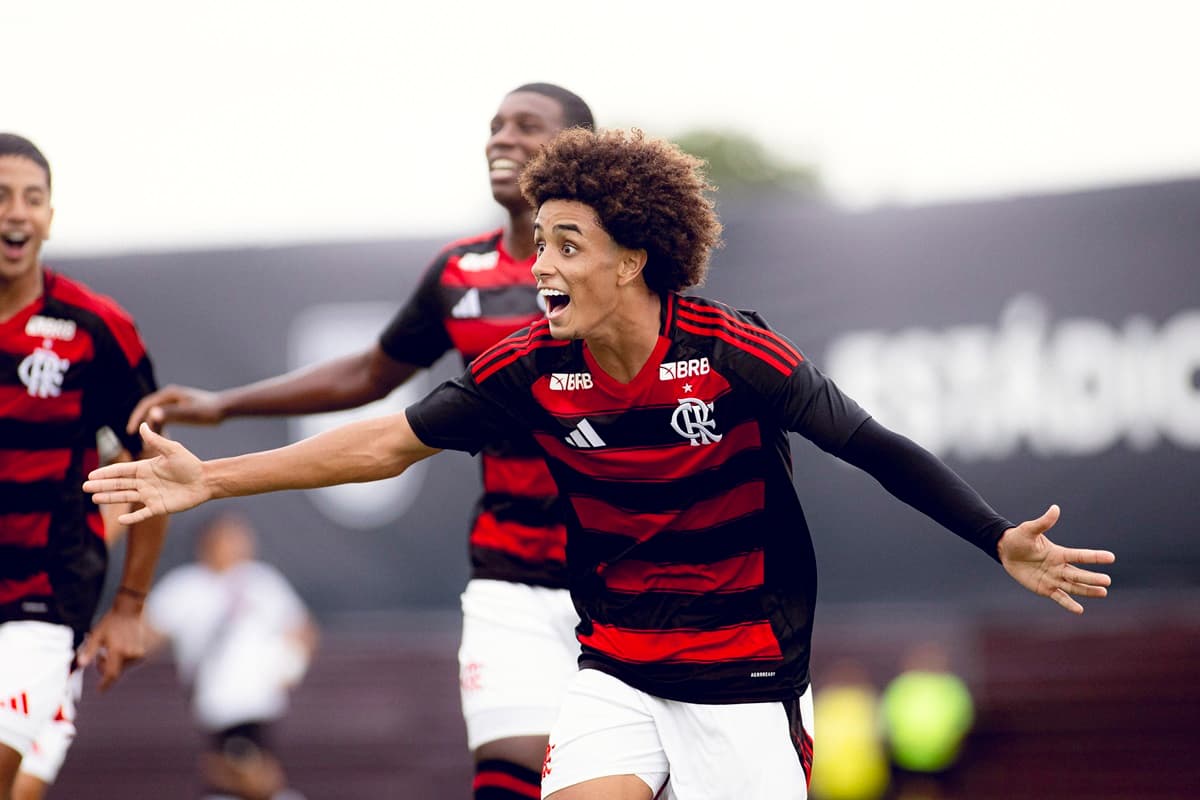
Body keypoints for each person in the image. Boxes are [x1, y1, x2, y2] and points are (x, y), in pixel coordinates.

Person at [86, 127, 1117, 800]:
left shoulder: (731, 351)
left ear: (633, 257)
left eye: (568, 246)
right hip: (616, 670)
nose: (540, 269)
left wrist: (996, 537)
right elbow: (383, 439)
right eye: (539, 246)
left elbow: (878, 448)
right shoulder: (528, 370)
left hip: (748, 683)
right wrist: (214, 474)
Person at [124, 82, 595, 800]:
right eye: (494, 126)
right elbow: (373, 372)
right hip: (512, 574)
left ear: (578, 150)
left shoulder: (623, 271)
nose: (500, 139)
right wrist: (222, 405)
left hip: (624, 573)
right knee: (511, 776)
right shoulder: (458, 273)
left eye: (526, 126)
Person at [0, 133, 169, 799]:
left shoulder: (95, 329)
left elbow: (154, 464)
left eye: (32, 199)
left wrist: (129, 606)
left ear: (49, 217)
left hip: (41, 601)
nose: (17, 212)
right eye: (2, 197)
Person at [143, 510, 318, 800]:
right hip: (218, 705)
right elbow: (147, 634)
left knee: (246, 774)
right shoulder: (186, 587)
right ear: (208, 542)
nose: (239, 544)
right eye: (230, 537)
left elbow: (303, 630)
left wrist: (293, 662)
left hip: (262, 704)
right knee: (251, 776)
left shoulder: (263, 582)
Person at [11, 430, 132, 800]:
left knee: (21, 782)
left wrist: (86, 550)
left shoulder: (88, 381)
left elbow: (134, 459)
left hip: (44, 617)